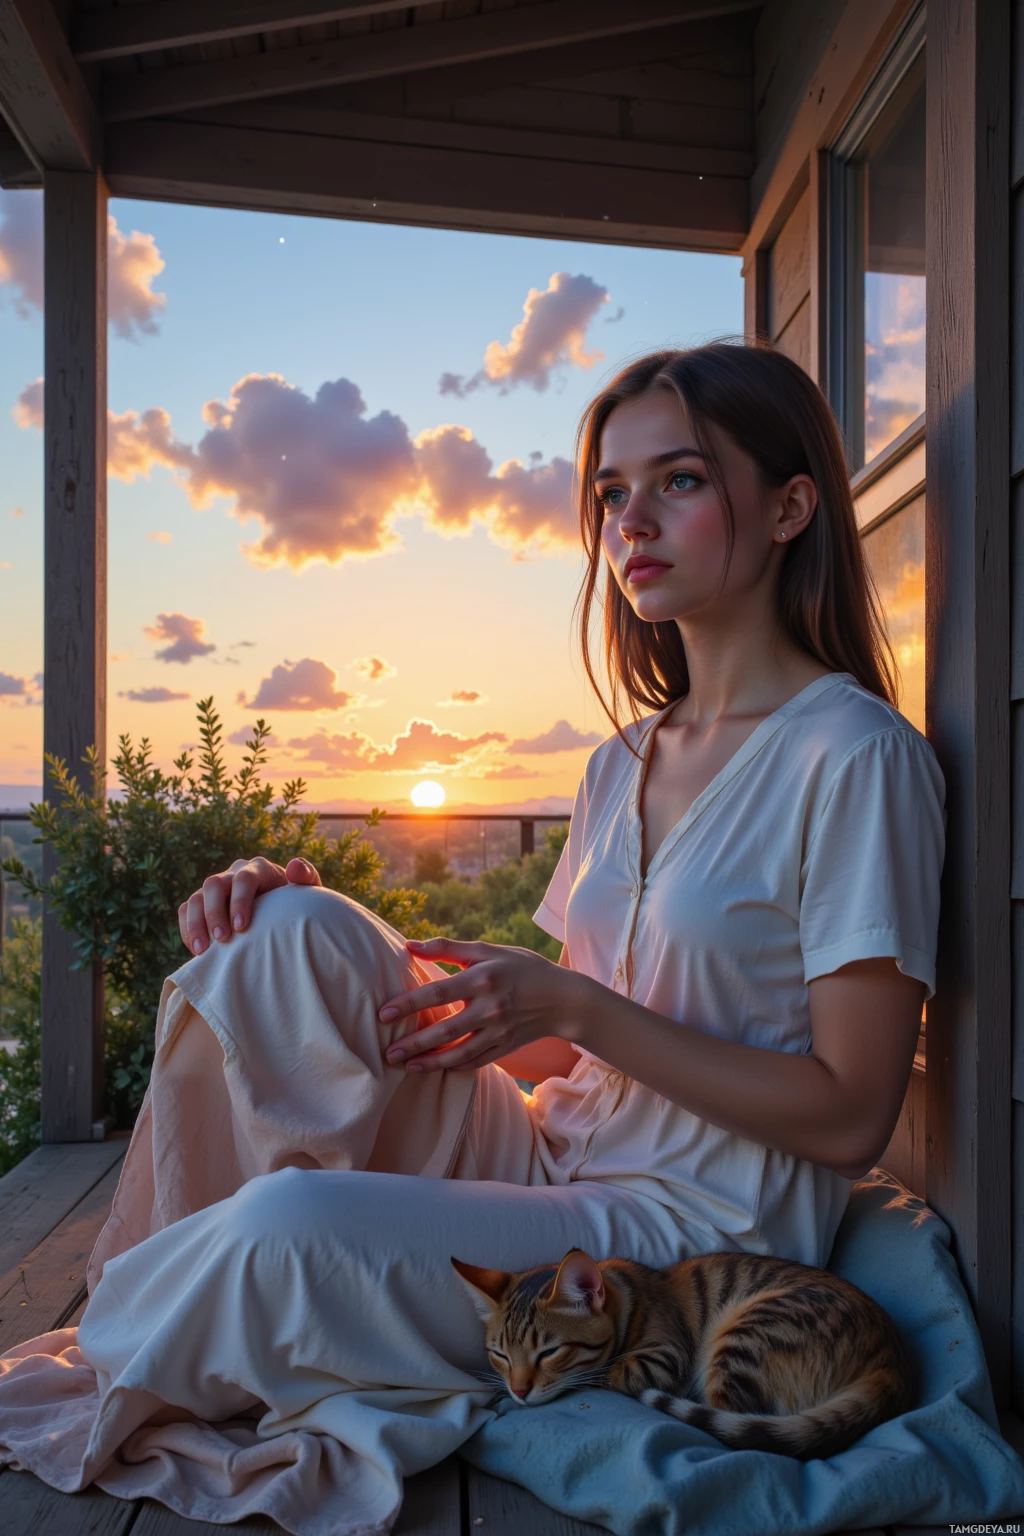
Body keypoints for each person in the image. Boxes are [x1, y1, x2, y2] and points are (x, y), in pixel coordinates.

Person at [0, 342, 945, 1535]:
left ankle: (209, 1294)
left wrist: (573, 1011)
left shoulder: (854, 758)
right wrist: (371, 977)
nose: (630, 521)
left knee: (285, 1233)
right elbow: (563, 1050)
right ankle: (232, 1271)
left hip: (671, 1233)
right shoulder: (622, 762)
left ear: (790, 506)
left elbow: (851, 1111)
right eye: (610, 491)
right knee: (283, 934)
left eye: (681, 482)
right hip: (548, 1149)